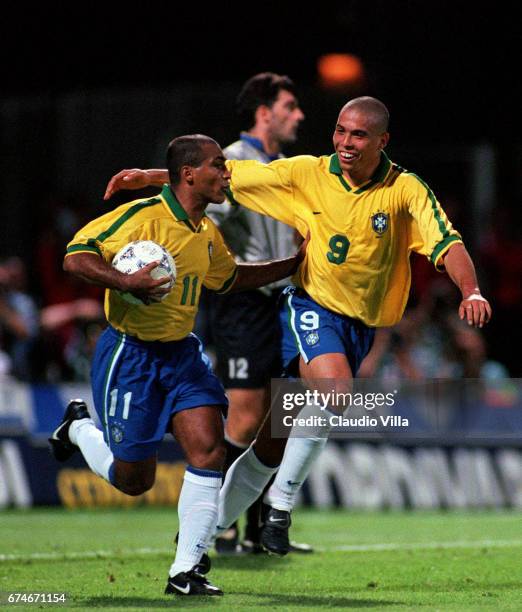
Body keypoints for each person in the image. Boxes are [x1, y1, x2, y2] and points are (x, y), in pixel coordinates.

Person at [103, 96, 492, 556]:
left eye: (359, 135)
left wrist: (471, 290)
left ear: (382, 140)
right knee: (336, 394)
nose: (345, 142)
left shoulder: (405, 190)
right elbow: (229, 175)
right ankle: (281, 509)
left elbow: (447, 242)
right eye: (341, 131)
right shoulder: (307, 172)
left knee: (271, 443)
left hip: (360, 328)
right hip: (311, 307)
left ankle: (201, 536)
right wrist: (149, 177)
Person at [49, 134, 306, 597]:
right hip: (131, 356)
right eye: (218, 166)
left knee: (209, 450)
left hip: (183, 356)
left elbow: (229, 279)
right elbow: (75, 257)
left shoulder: (206, 232)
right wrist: (124, 279)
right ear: (189, 173)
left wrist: (293, 265)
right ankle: (78, 429)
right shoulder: (141, 216)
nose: (226, 174)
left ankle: (185, 571)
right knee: (134, 481)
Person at [203, 72, 308, 553]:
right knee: (244, 420)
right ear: (264, 113)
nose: (299, 115)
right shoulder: (231, 162)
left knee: (279, 418)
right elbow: (207, 223)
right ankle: (217, 521)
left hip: (282, 304)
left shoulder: (286, 167)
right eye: (290, 106)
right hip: (243, 301)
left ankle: (262, 528)